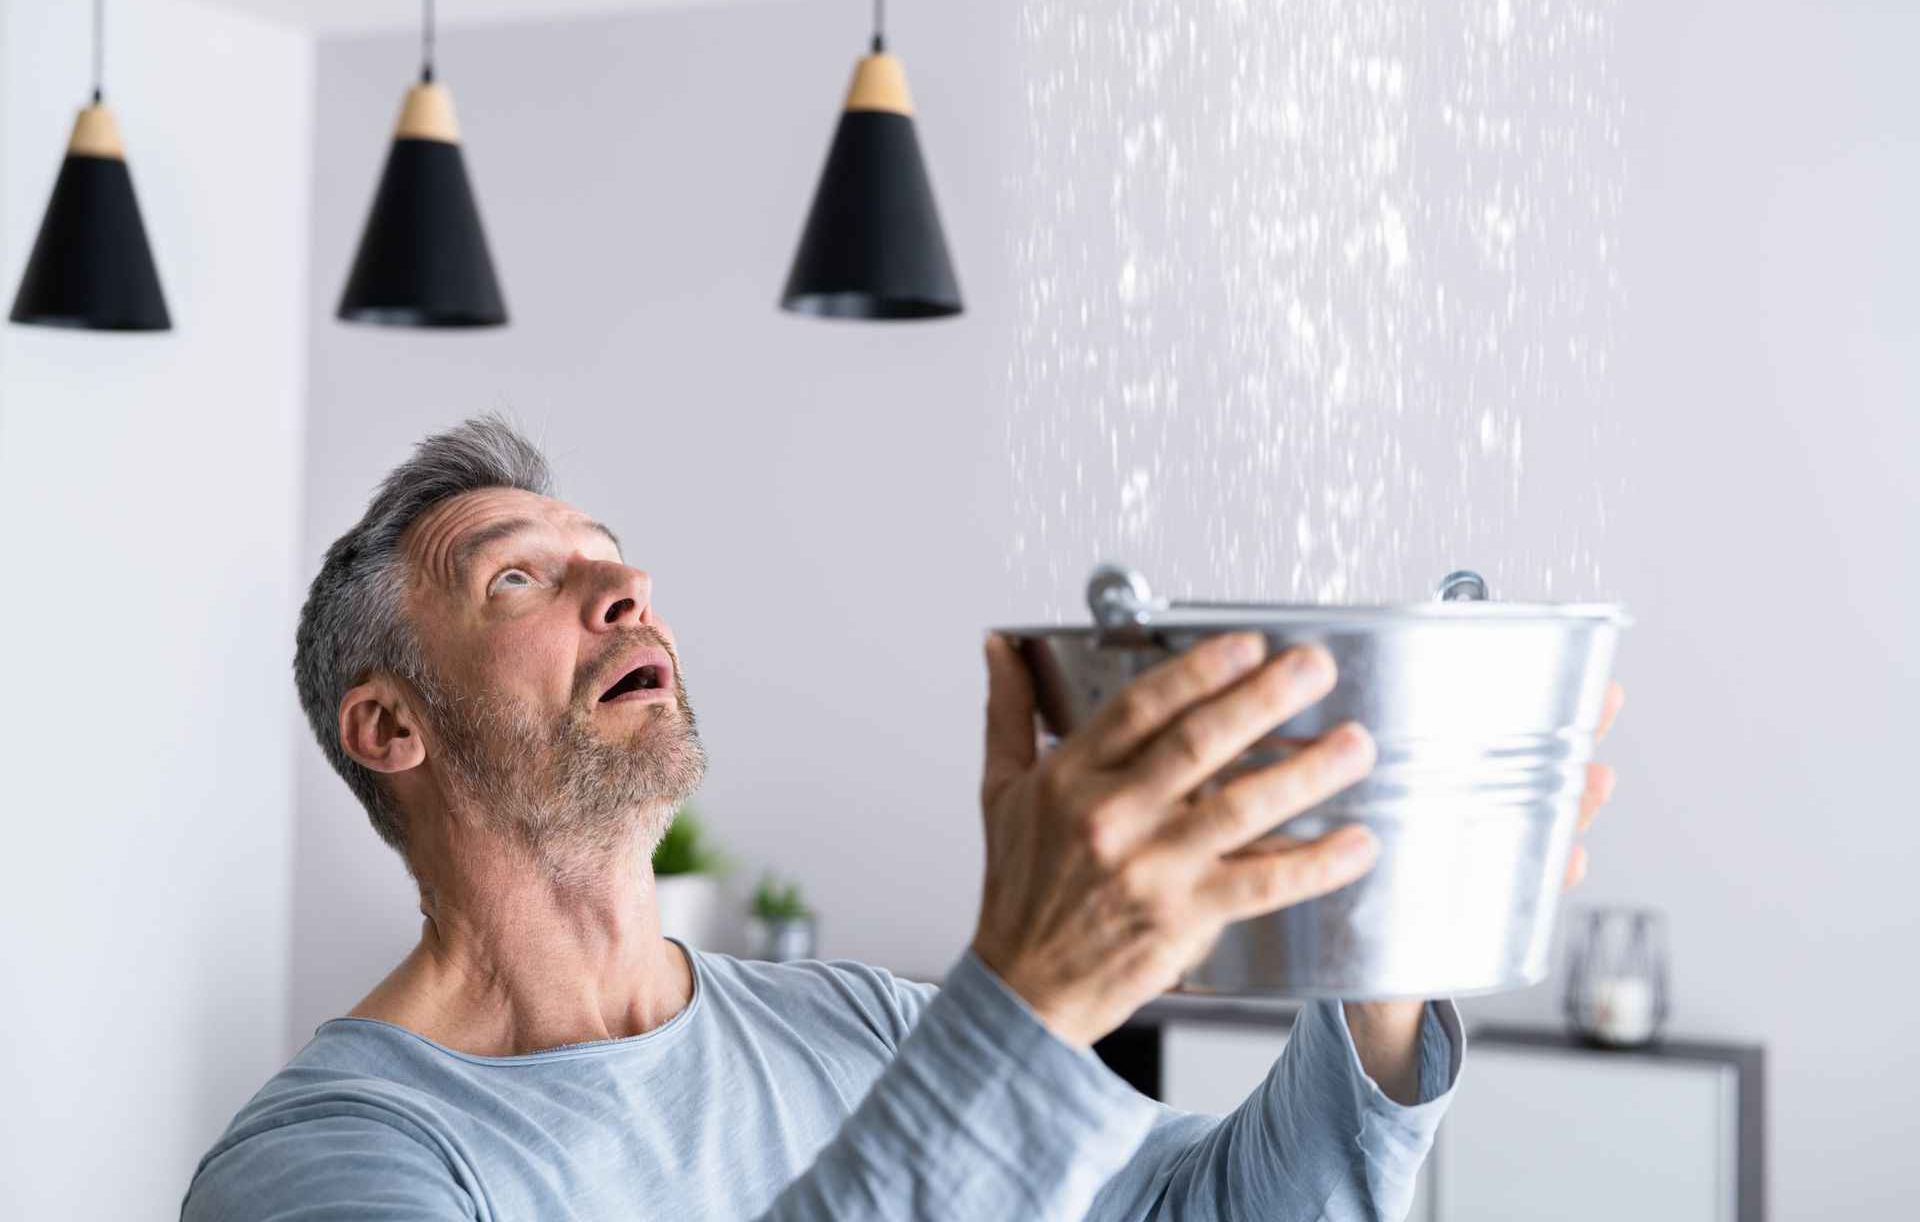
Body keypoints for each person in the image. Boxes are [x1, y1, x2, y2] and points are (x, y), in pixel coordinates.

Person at [181, 414, 1620, 1220]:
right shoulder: (330, 1161)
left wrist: (1375, 938)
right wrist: (1030, 998)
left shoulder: (856, 1033)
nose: (617, 595)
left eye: (612, 566)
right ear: (391, 725)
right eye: (517, 580)